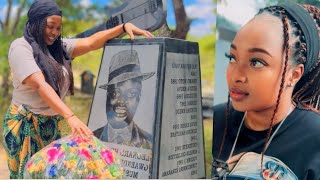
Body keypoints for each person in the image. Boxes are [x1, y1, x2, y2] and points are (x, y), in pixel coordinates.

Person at [2, 0, 153, 178]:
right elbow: (40, 85)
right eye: (50, 26)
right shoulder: (21, 48)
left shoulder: (59, 49)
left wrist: (123, 27)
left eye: (58, 28)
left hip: (50, 125)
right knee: (26, 174)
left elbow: (90, 42)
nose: (55, 33)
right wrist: (71, 117)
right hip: (25, 126)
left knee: (51, 174)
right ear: (36, 22)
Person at [212, 3, 320, 180]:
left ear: (294, 74)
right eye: (232, 58)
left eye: (256, 62)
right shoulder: (217, 120)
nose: (237, 75)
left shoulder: (315, 140)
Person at [93, 49, 154, 149]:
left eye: (131, 94)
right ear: (107, 96)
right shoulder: (92, 139)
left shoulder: (150, 143)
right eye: (116, 93)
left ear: (139, 97)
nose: (121, 101)